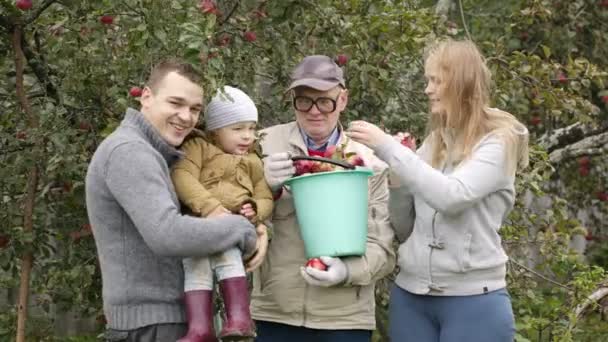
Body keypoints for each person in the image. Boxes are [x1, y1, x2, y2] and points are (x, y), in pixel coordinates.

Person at [346, 39, 529, 342]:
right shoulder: (435, 142)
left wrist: (388, 148)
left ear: (461, 83)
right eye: (427, 80)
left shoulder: (497, 143)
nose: (427, 89)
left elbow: (451, 197)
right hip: (411, 297)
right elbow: (405, 227)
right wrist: (397, 179)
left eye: (435, 81)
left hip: (473, 301)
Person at [85, 60, 260, 342]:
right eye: (175, 103)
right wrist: (243, 230)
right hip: (152, 326)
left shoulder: (157, 153)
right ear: (146, 96)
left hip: (164, 322)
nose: (185, 116)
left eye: (194, 109)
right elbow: (167, 234)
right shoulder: (130, 151)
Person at [251, 55, 396, 342]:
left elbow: (384, 247)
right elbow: (234, 216)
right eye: (304, 101)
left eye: (325, 101)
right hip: (276, 312)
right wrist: (262, 185)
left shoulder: (371, 160)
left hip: (345, 318)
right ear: (293, 99)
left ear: (342, 100)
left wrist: (347, 271)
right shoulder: (262, 144)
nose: (314, 111)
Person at [171, 86, 273, 342]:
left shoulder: (253, 161)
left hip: (231, 227)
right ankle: (200, 329)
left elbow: (264, 195)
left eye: (251, 128)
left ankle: (239, 319)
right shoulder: (198, 147)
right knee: (196, 270)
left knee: (229, 259)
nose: (247, 136)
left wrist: (256, 210)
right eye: (238, 129)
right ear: (215, 131)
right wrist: (209, 206)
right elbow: (182, 176)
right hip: (197, 226)